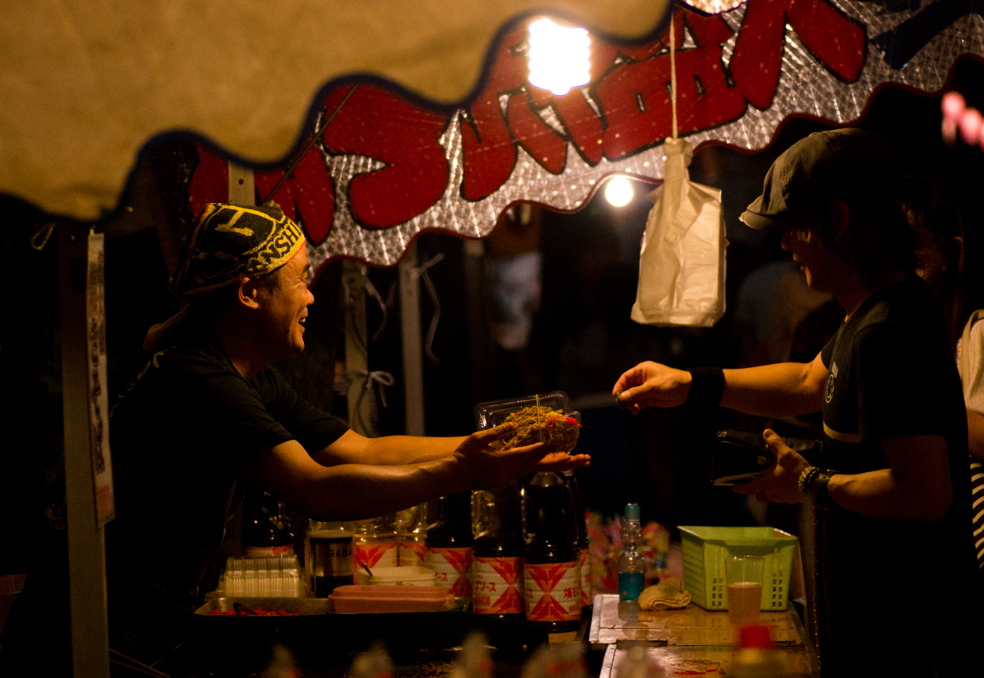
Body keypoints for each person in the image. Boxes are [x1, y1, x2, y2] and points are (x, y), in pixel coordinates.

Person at [4, 203, 591, 675]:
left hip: (146, 625)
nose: (311, 297)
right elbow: (317, 489)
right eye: (299, 280)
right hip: (87, 636)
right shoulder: (199, 379)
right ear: (249, 292)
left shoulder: (244, 375)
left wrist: (489, 442)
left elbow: (357, 449)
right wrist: (465, 473)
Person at [613, 129, 976, 678]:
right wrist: (692, 383)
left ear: (837, 220)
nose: (785, 245)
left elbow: (926, 494)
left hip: (909, 640)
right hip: (875, 629)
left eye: (793, 227)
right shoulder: (867, 317)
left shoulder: (892, 329)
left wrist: (808, 483)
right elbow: (808, 382)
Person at [907, 176, 984, 668]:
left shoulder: (983, 333)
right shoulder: (920, 336)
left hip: (980, 569)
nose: (899, 254)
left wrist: (920, 409)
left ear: (951, 253)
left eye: (914, 244)